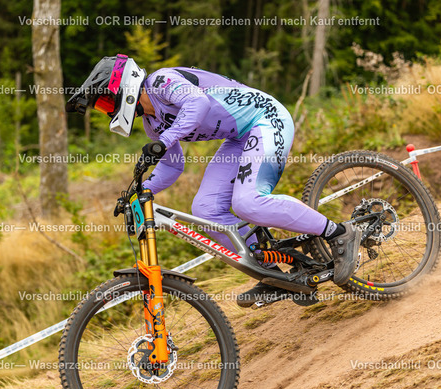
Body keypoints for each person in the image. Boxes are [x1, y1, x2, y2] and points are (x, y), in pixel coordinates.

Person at [67, 55, 361, 307]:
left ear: (123, 87)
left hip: (265, 119)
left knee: (247, 202)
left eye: (105, 102)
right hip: (238, 138)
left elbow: (197, 103)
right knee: (205, 209)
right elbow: (172, 164)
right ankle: (274, 273)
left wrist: (166, 140)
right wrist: (140, 191)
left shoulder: (161, 82)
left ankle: (339, 233)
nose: (107, 109)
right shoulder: (151, 123)